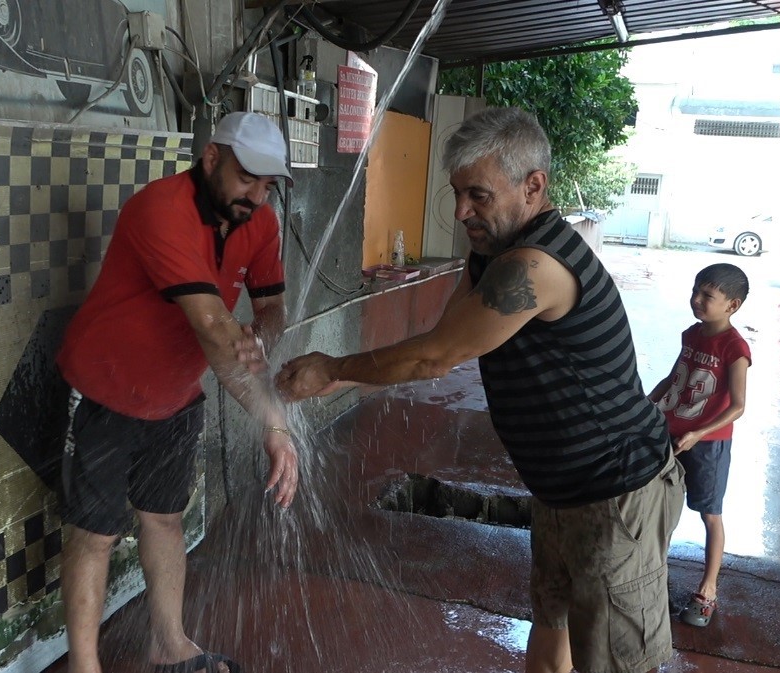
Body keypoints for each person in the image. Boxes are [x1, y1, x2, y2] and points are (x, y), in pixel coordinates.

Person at [272, 107, 684, 673]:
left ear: (533, 186)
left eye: (479, 195)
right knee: (550, 635)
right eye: (457, 193)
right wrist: (341, 373)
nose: (462, 211)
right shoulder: (491, 254)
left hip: (617, 494)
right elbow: (445, 338)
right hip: (561, 493)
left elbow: (436, 355)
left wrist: (331, 367)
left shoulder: (536, 266)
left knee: (612, 662)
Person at [55, 111, 300, 673]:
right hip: (105, 390)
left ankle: (168, 644)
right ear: (211, 158)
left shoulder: (259, 223)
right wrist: (273, 421)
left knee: (163, 518)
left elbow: (271, 310)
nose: (257, 196)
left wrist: (260, 337)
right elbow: (214, 329)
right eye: (247, 179)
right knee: (95, 533)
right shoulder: (159, 210)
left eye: (268, 185)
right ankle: (84, 667)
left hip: (175, 395)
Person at [647, 263, 751, 628]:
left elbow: (738, 405)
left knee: (710, 514)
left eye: (708, 296)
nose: (697, 300)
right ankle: (650, 575)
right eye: (696, 291)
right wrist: (646, 405)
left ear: (732, 305)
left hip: (708, 446)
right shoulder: (692, 334)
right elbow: (674, 376)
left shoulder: (735, 347)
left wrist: (699, 434)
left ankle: (708, 589)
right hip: (671, 437)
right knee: (659, 506)